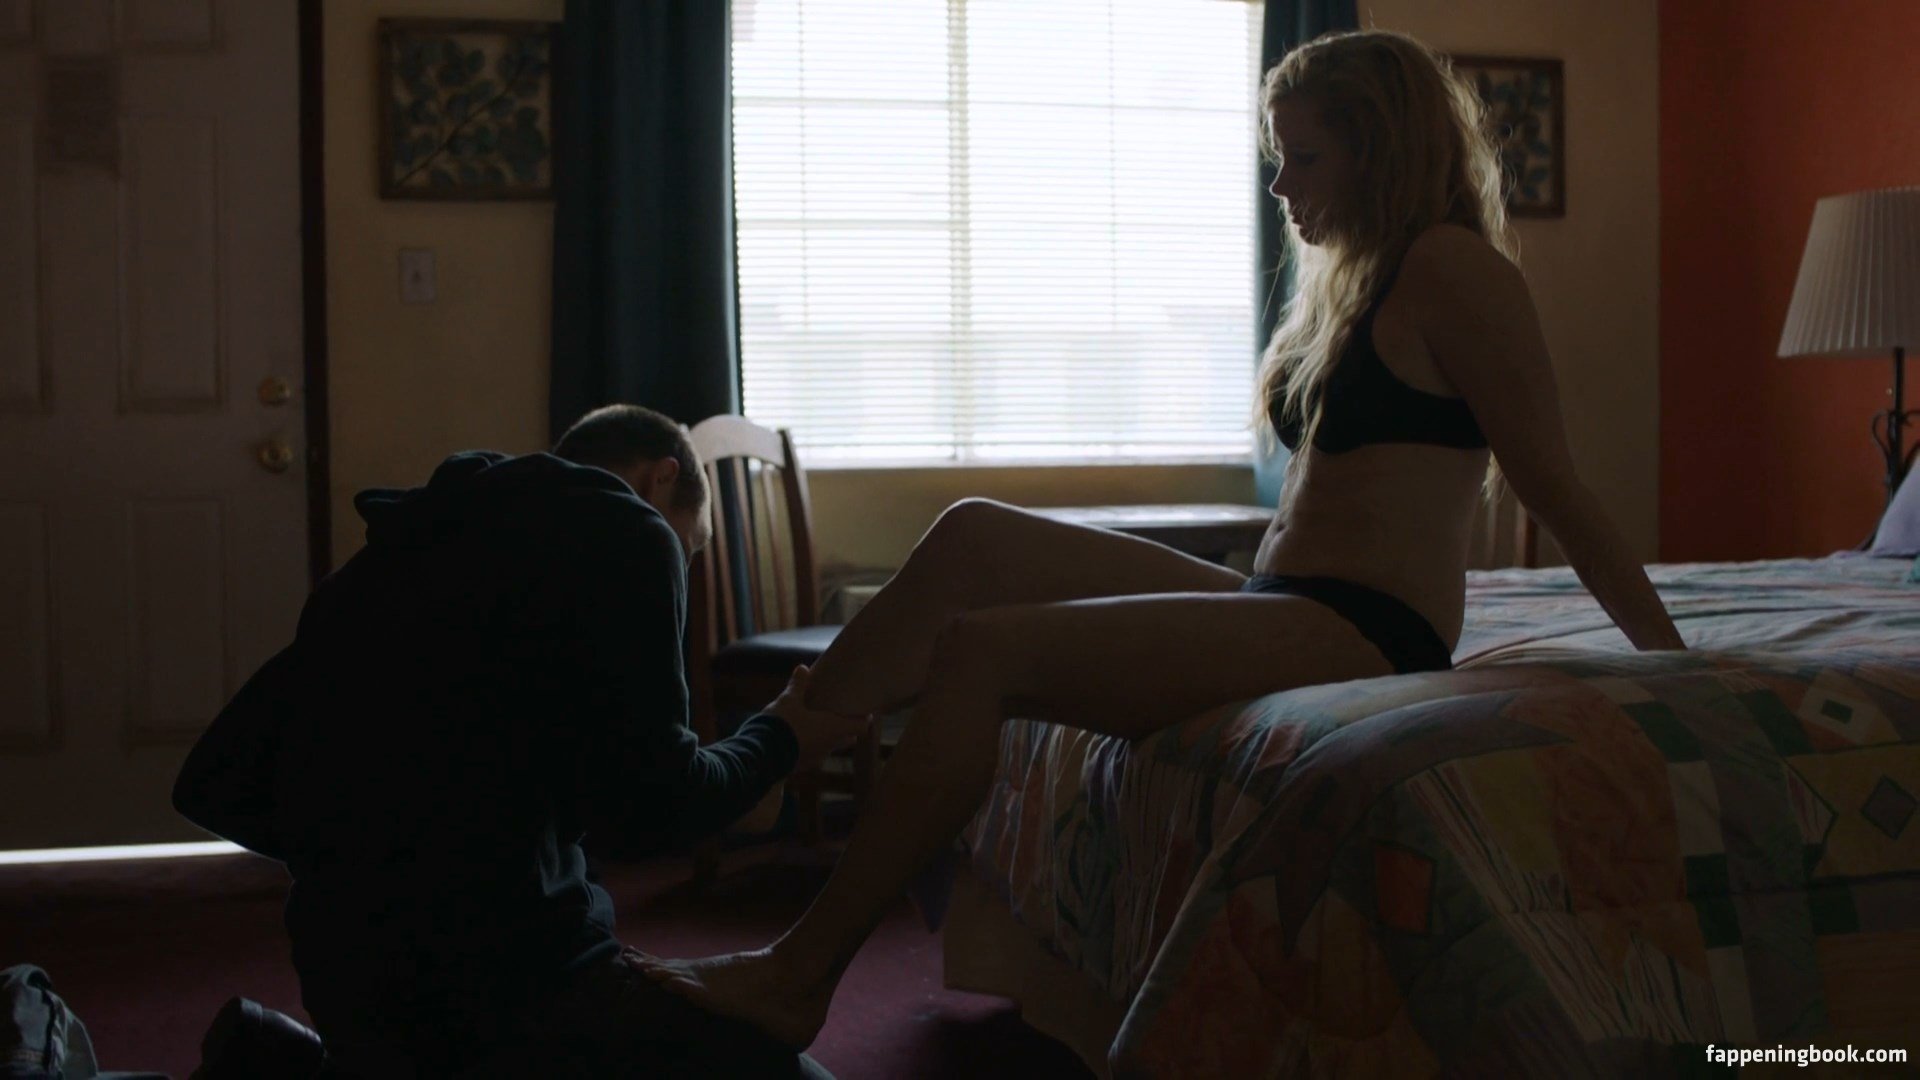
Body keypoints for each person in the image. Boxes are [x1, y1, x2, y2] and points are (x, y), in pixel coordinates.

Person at [633, 28, 1689, 1049]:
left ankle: (799, 973)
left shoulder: (1454, 269)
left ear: (1379, 150)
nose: (1279, 185)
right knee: (973, 537)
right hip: (1286, 603)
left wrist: (1670, 661)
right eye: (1278, 158)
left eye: (1303, 158)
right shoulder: (1356, 276)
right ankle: (764, 755)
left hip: (1368, 631)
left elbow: (1556, 487)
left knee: (982, 652)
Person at [172, 404, 861, 1078]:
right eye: (694, 542)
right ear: (660, 478)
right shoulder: (629, 527)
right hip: (514, 990)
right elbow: (653, 813)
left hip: (345, 985)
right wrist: (781, 735)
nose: (684, 558)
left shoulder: (421, 535)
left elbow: (243, 784)